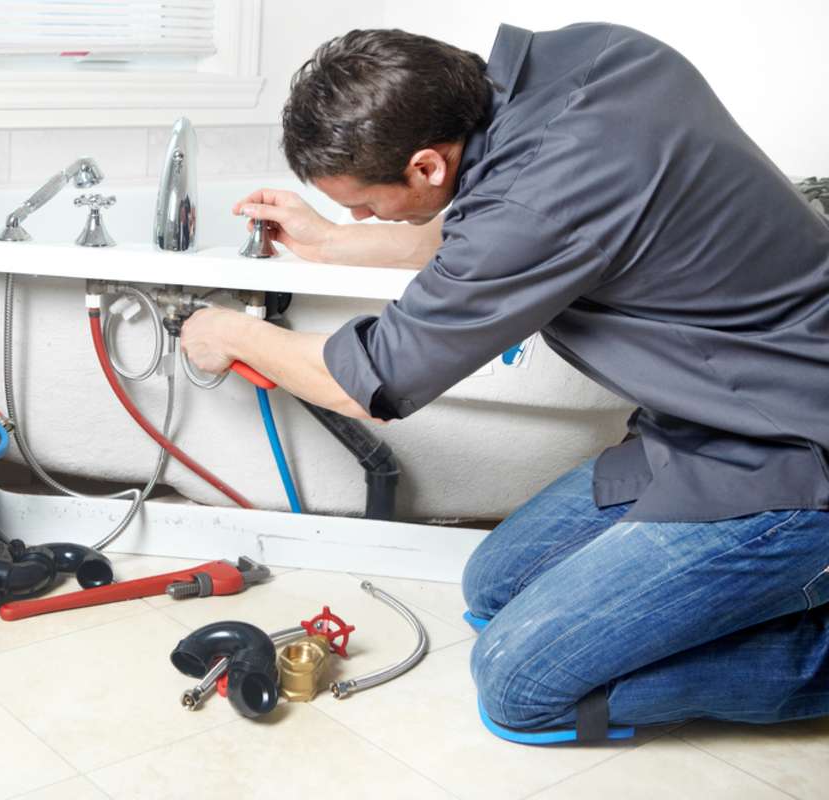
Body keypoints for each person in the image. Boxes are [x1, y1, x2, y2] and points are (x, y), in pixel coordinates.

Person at [179, 24, 829, 742]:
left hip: (796, 455)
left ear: (427, 165)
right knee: (494, 588)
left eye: (362, 203)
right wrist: (332, 243)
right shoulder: (591, 60)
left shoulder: (538, 198)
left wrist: (230, 333)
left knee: (522, 688)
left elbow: (372, 379)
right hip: (708, 423)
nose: (359, 216)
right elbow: (487, 223)